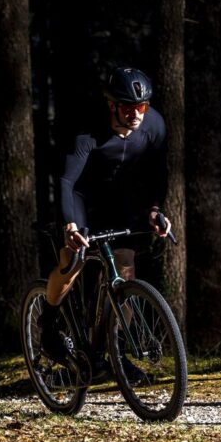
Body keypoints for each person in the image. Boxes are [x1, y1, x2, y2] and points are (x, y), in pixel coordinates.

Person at [39, 66, 173, 375]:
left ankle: (109, 350)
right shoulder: (88, 133)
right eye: (128, 107)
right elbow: (66, 182)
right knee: (73, 261)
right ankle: (47, 324)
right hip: (83, 198)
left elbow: (159, 171)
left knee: (124, 272)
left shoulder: (154, 125)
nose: (136, 114)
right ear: (112, 105)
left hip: (119, 199)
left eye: (142, 106)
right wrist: (70, 225)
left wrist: (155, 209)